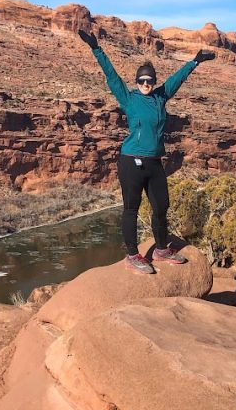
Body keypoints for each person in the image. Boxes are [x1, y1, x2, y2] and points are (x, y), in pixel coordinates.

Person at [78, 29, 215, 273]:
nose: (145, 84)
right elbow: (111, 75)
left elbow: (176, 80)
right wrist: (96, 48)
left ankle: (161, 249)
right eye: (142, 81)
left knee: (161, 206)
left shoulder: (160, 97)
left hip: (154, 163)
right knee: (131, 207)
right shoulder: (129, 98)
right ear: (137, 82)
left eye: (149, 80)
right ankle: (132, 254)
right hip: (131, 161)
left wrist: (194, 61)